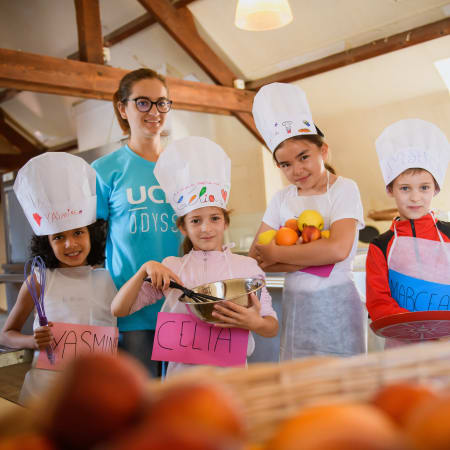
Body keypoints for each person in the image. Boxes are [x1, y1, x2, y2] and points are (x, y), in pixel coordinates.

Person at [111, 136, 279, 376]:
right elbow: (119, 309)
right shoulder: (172, 268)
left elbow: (271, 326)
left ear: (225, 222)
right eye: (195, 221)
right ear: (183, 227)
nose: (206, 228)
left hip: (231, 380)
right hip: (182, 380)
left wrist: (256, 323)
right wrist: (145, 268)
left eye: (214, 218)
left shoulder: (247, 267)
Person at [249, 82, 366, 360]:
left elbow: (338, 250)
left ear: (323, 150)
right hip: (297, 307)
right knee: (300, 382)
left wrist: (279, 253)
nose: (297, 170)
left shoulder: (344, 189)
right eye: (286, 164)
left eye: (304, 157)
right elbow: (257, 257)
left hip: (338, 305)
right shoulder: (281, 199)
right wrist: (318, 253)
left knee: (342, 383)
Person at [0, 153, 117, 404]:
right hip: (43, 396)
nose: (70, 244)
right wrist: (31, 341)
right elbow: (6, 334)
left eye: (78, 233)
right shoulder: (39, 280)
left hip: (94, 394)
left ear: (91, 233)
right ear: (47, 242)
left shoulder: (109, 278)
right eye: (58, 237)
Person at [92, 69, 181, 377]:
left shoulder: (183, 166)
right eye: (142, 103)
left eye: (161, 103)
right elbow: (92, 244)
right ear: (122, 108)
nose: (154, 111)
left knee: (183, 405)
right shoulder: (105, 170)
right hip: (132, 312)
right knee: (139, 407)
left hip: (183, 307)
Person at [366, 119, 450, 347]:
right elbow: (378, 302)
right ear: (390, 189)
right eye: (405, 188)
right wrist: (421, 331)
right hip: (401, 348)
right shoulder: (380, 246)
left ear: (436, 188)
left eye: (424, 187)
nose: (415, 198)